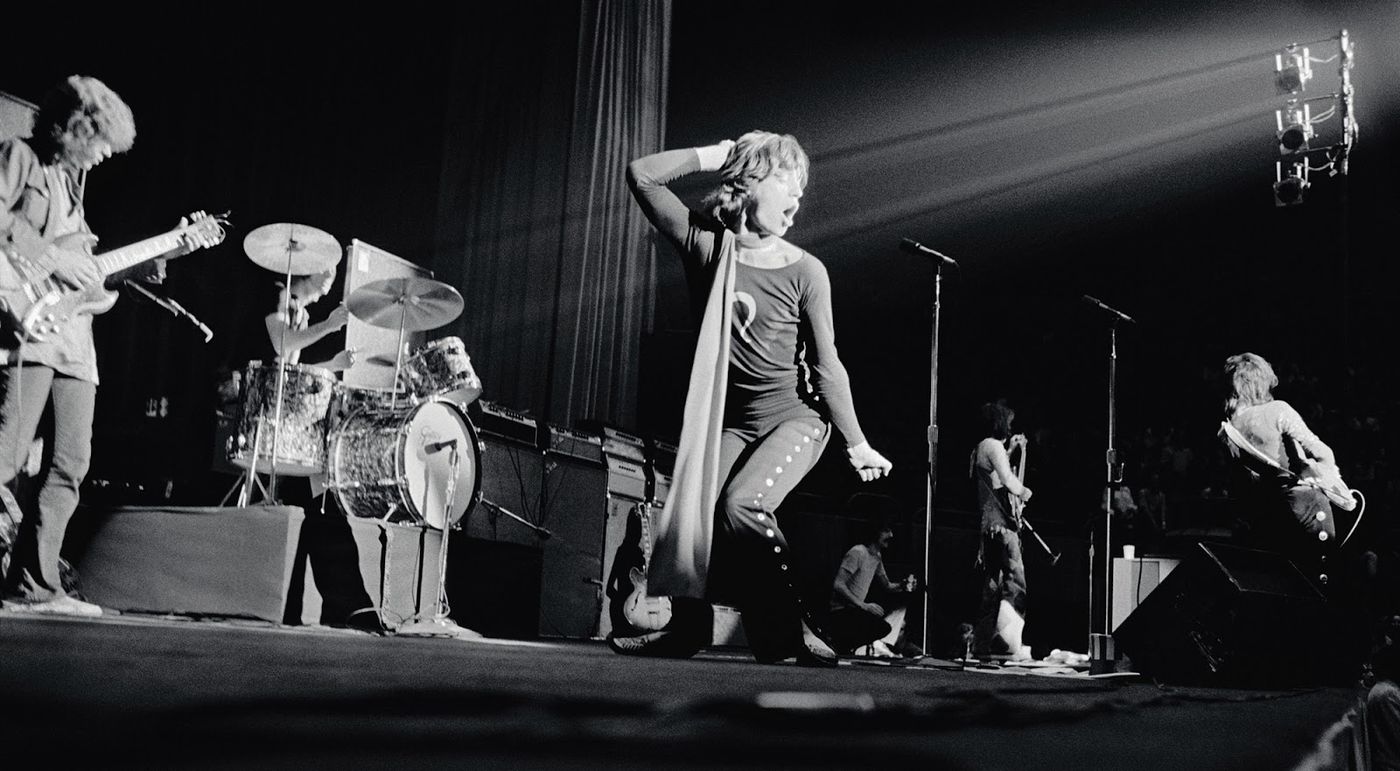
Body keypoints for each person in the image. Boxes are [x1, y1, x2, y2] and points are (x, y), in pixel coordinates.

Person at [613, 131, 892, 666]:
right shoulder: (707, 246)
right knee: (691, 513)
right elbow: (641, 176)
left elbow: (827, 365)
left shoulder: (806, 271)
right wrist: (720, 155)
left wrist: (856, 442)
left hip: (797, 421)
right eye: (787, 183)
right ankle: (688, 629)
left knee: (743, 504)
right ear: (750, 182)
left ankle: (794, 627)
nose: (796, 201)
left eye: (801, 192)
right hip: (733, 423)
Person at [0, 76, 203, 615]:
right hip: (30, 331)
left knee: (70, 463)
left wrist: (162, 255)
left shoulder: (73, 187)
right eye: (101, 144)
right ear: (76, 127)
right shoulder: (20, 156)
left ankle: (34, 586)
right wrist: (50, 256)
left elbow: (90, 276)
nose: (105, 156)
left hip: (74, 344)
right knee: (6, 455)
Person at [1219, 353, 1339, 567]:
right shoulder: (1277, 410)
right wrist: (1331, 479)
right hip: (1306, 504)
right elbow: (1321, 451)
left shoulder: (1229, 429)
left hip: (1269, 509)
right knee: (1319, 572)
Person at [970, 401, 1033, 659]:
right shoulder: (993, 446)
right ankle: (1007, 642)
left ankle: (983, 643)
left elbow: (996, 475)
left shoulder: (981, 448)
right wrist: (1024, 491)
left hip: (989, 525)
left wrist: (1013, 449)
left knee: (992, 586)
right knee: (1015, 583)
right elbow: (1006, 479)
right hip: (1002, 526)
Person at [826, 512, 921, 658]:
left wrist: (903, 585)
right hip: (841, 611)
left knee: (883, 628)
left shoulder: (876, 557)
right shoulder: (858, 552)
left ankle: (845, 646)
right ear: (875, 532)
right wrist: (863, 605)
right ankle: (841, 643)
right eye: (886, 531)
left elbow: (887, 586)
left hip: (854, 610)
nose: (891, 535)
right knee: (879, 627)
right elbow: (838, 584)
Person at [263, 266, 354, 372]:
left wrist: (334, 365)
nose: (330, 272)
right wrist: (328, 325)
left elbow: (292, 373)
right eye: (324, 265)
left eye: (332, 268)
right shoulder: (278, 292)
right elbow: (281, 343)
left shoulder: (303, 318)